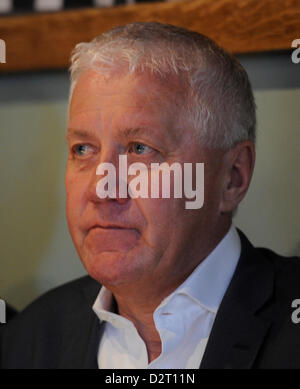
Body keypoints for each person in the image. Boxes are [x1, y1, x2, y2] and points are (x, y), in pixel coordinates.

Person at [1, 22, 300, 369]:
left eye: (140, 149)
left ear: (232, 178)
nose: (102, 188)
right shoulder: (30, 337)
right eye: (83, 149)